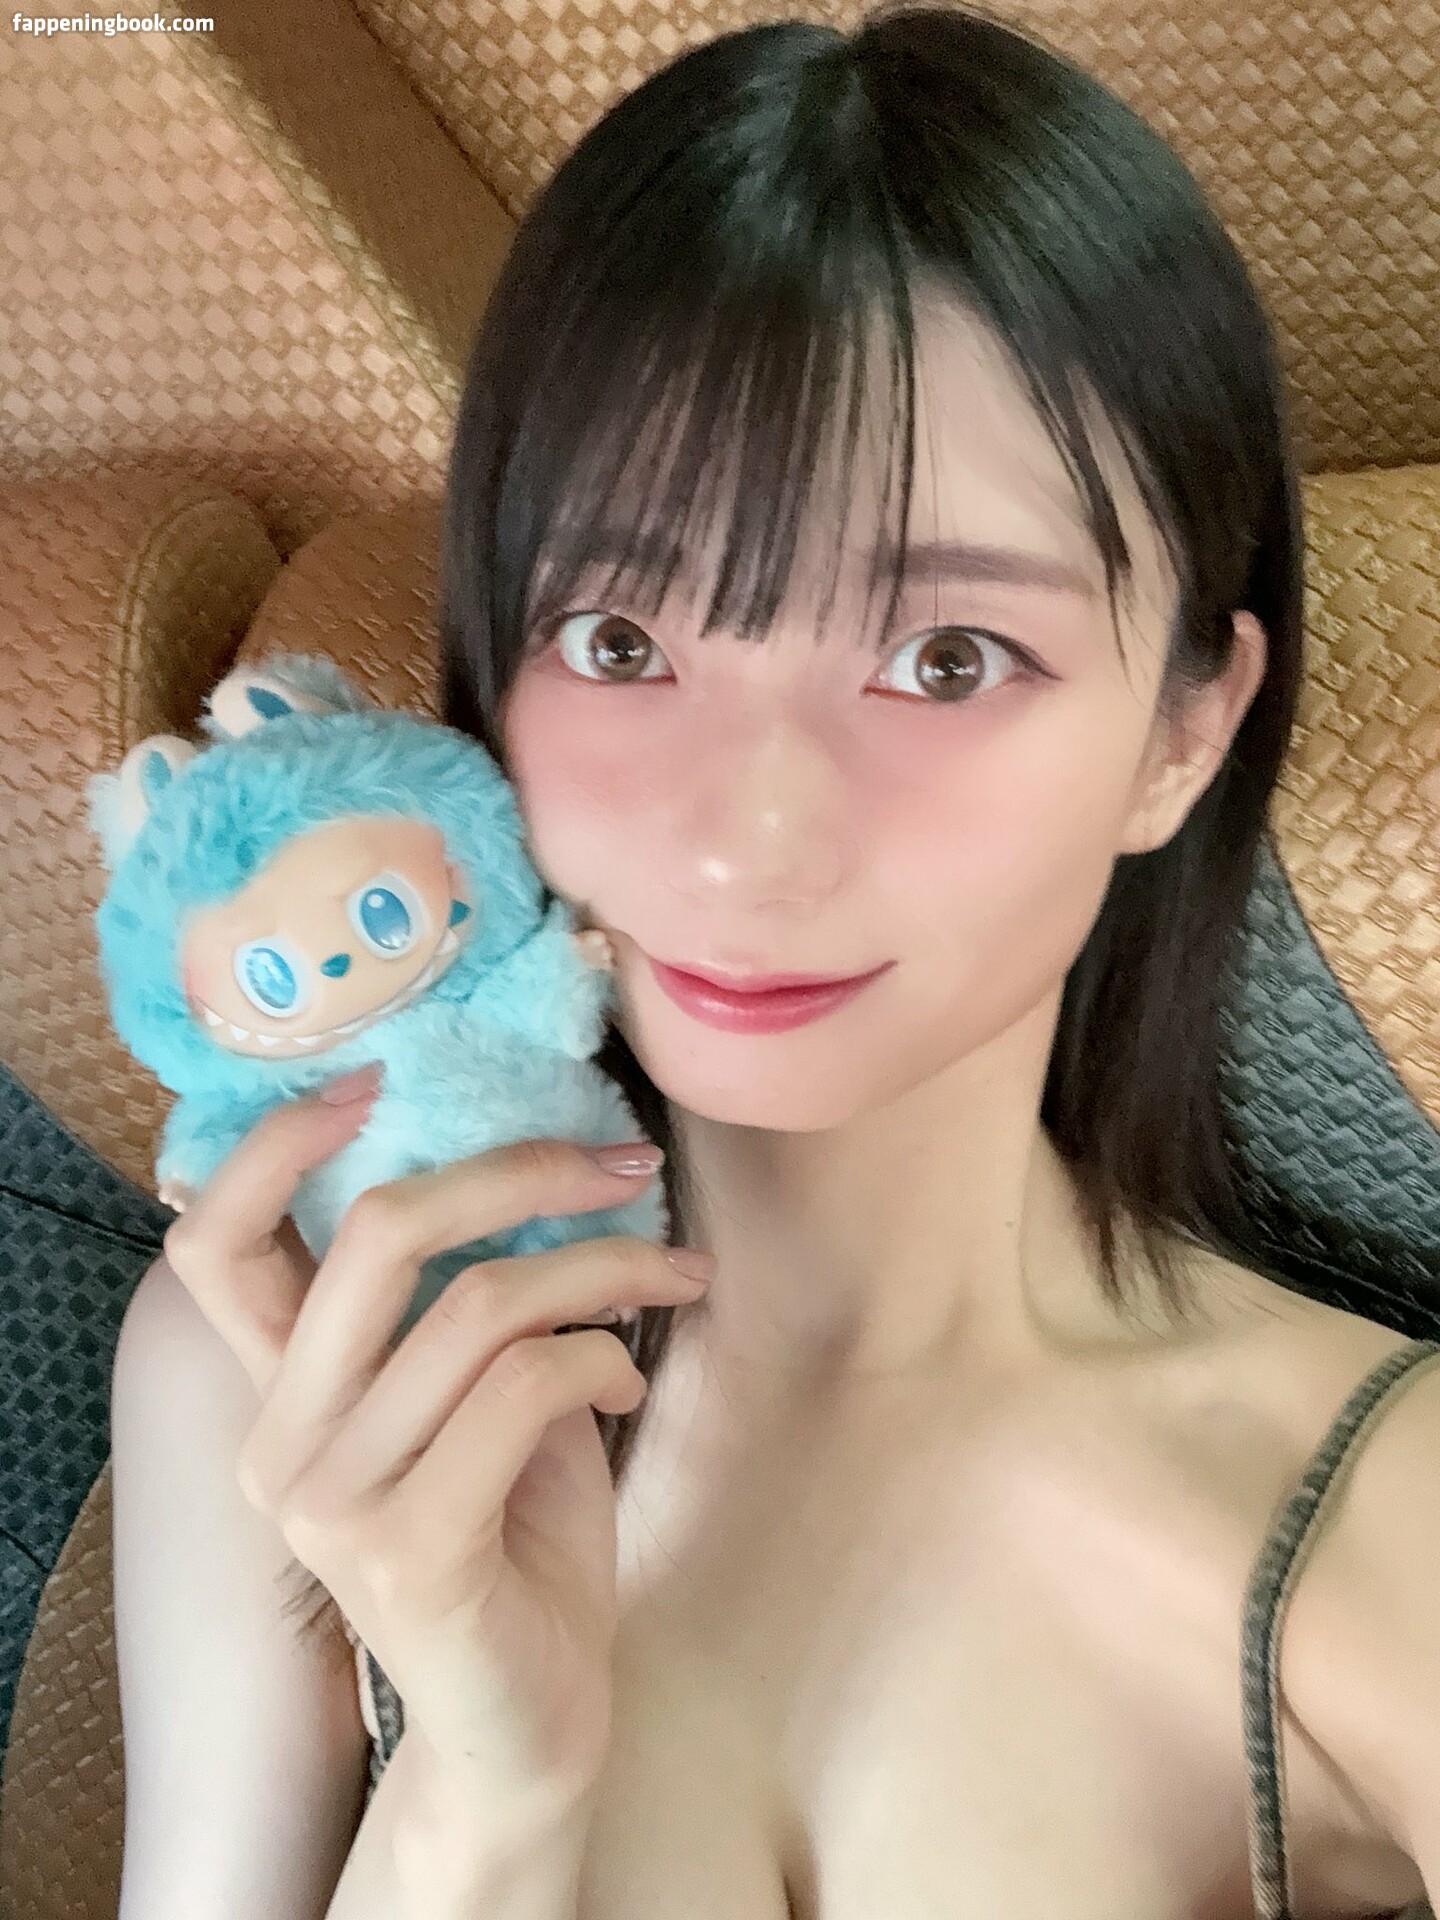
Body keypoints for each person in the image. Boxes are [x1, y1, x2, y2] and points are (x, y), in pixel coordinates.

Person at [109, 4, 1440, 1916]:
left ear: (1184, 731)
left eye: (947, 660)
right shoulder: (278, 1362)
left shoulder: (1373, 1517)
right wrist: (483, 1795)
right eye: (623, 643)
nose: (747, 838)